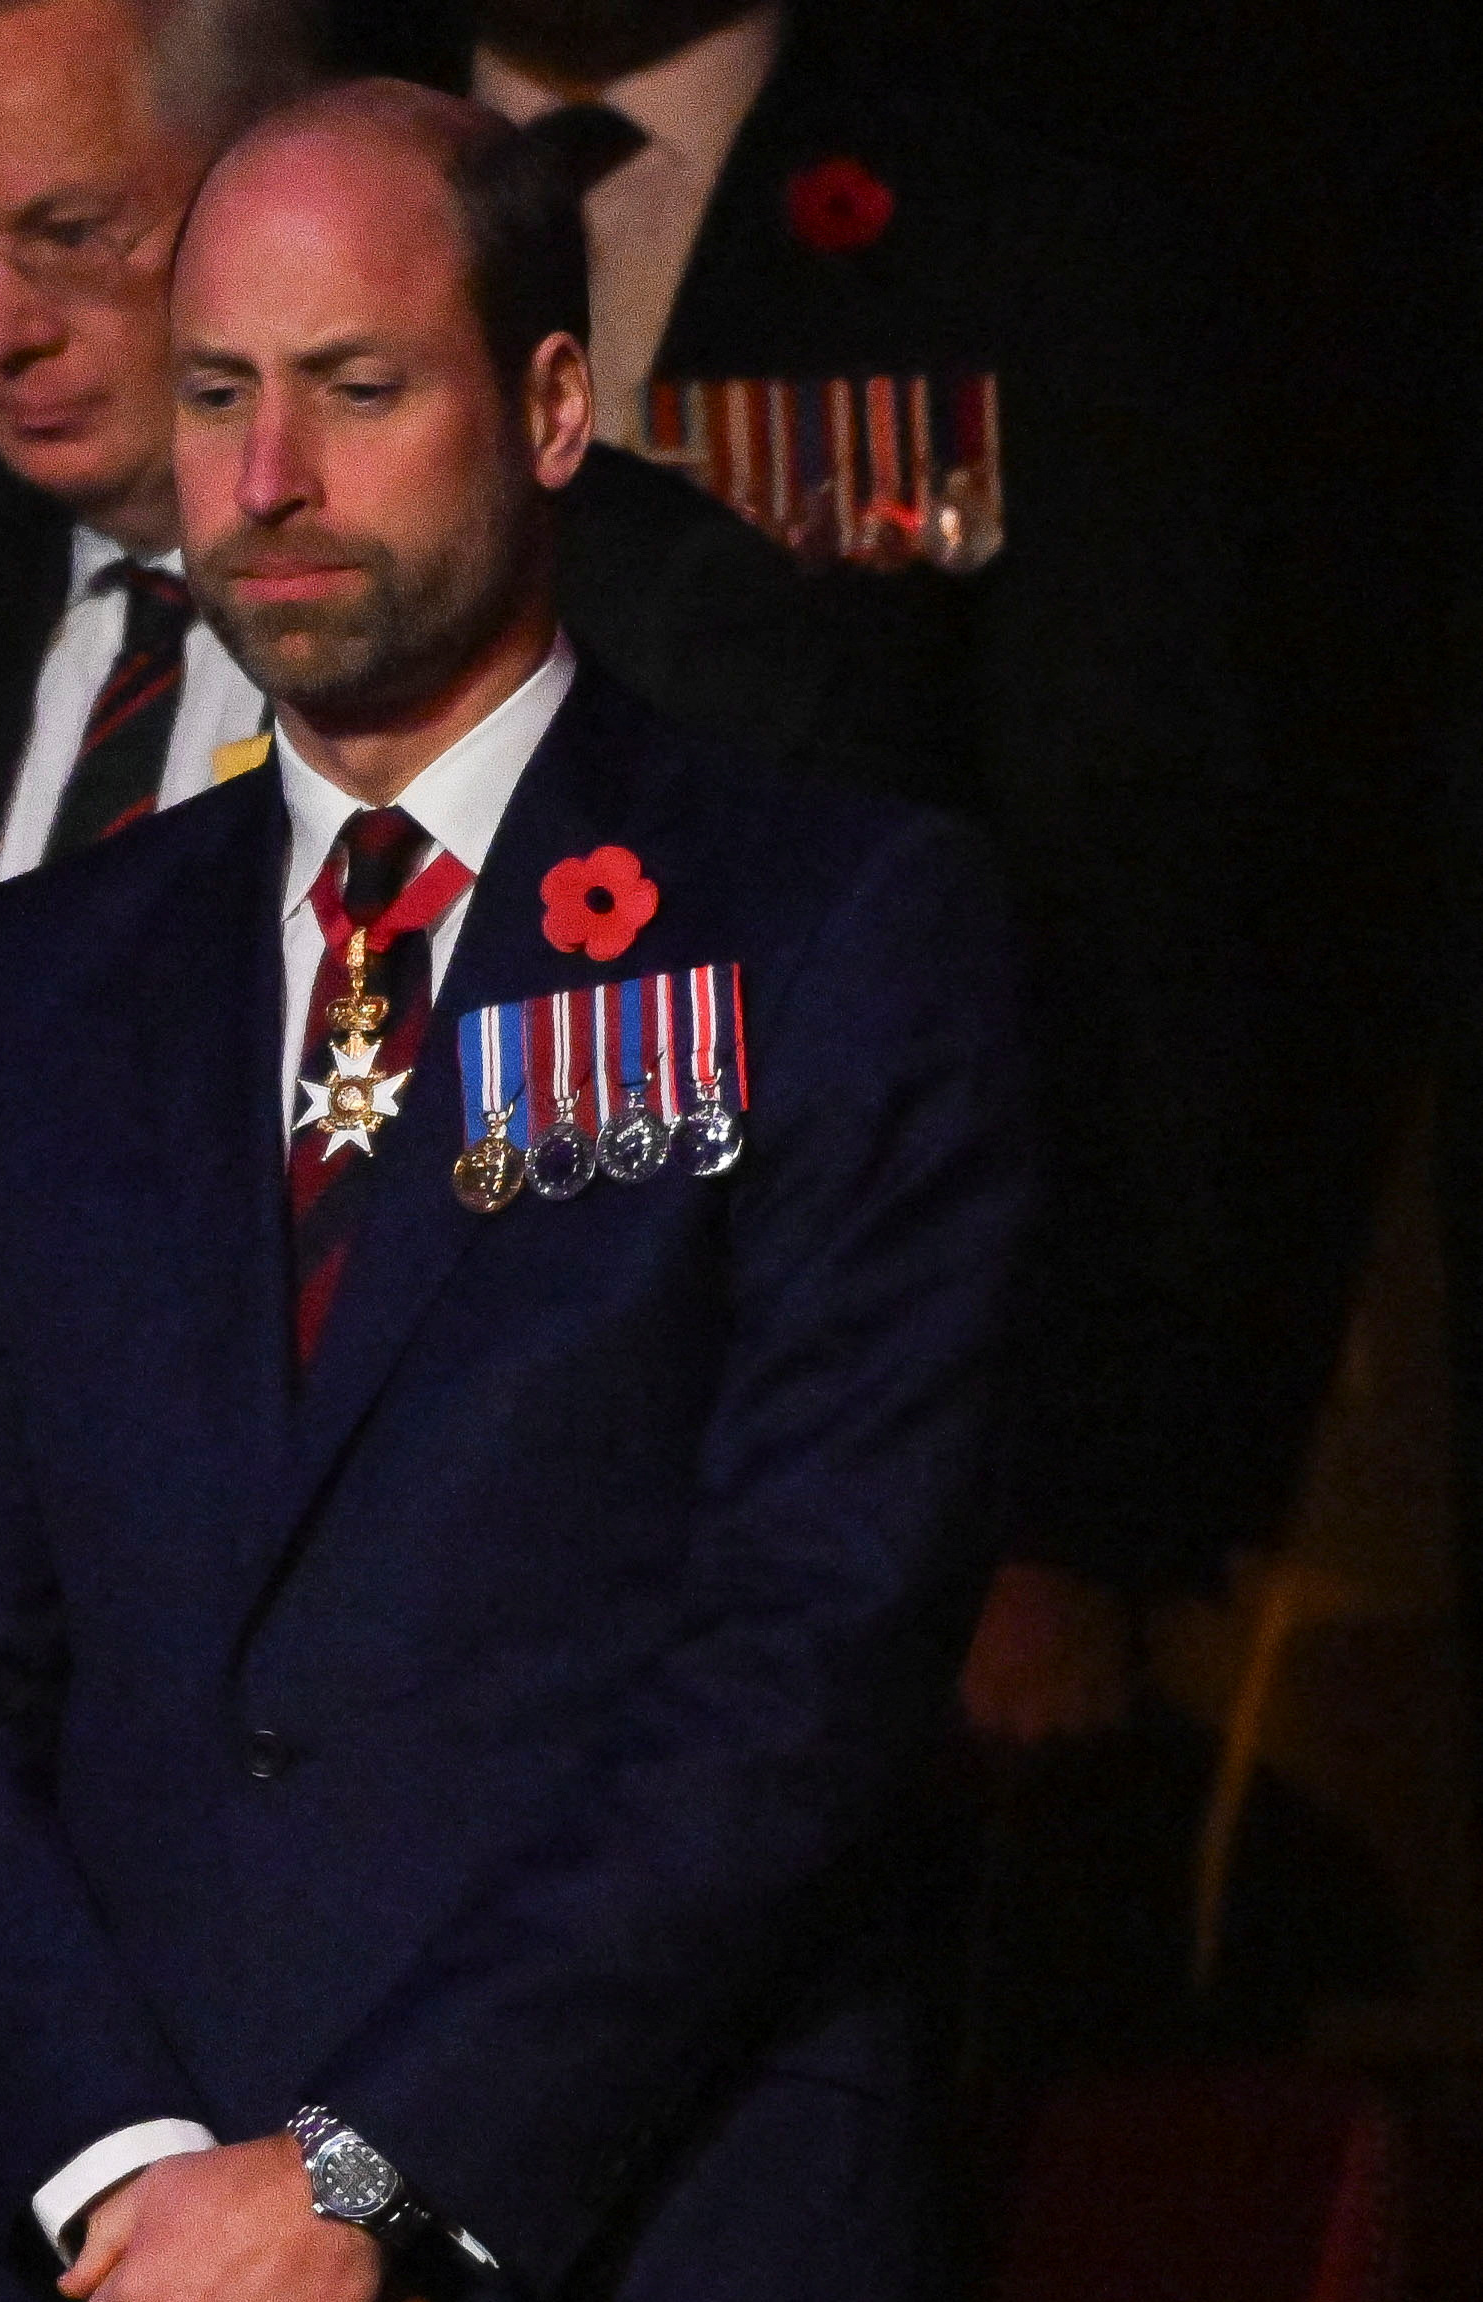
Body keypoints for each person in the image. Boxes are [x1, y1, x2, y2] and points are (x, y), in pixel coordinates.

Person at [0, 82, 1020, 2302]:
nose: (266, 479)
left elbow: (803, 1659)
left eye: (352, 387)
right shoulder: (30, 990)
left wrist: (367, 2180)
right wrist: (142, 2190)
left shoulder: (829, 927)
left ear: (554, 406)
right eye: (215, 391)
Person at [440, 0, 1259, 1776]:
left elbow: (1120, 903)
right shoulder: (302, 190)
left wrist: (1060, 1502)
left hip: (841, 1414)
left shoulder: (1008, 240)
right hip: (418, 1401)